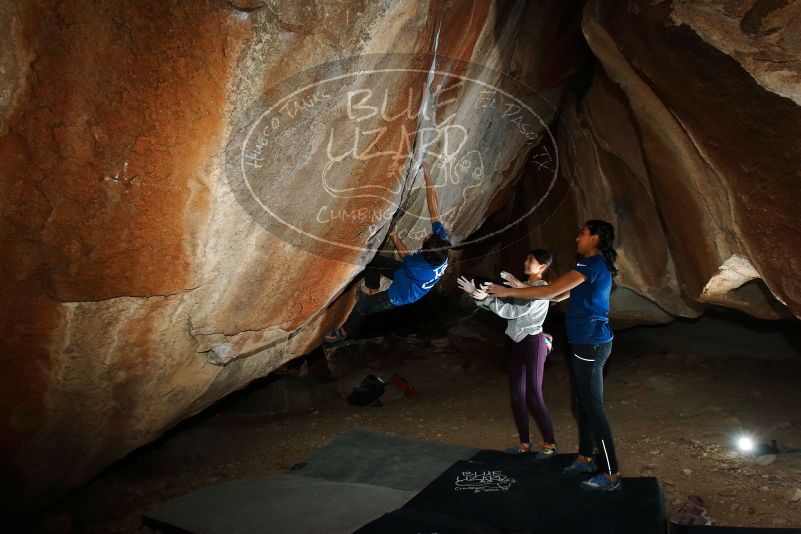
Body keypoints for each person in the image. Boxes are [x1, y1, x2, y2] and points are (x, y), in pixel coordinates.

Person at [486, 220, 621, 492]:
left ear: (595, 237)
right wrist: (520, 286)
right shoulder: (595, 267)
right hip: (586, 342)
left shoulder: (589, 265)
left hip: (590, 343)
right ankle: (585, 457)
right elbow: (556, 298)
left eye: (582, 233)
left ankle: (610, 473)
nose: (577, 238)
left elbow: (549, 291)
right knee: (581, 402)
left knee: (592, 406)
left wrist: (508, 291)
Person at [323, 162, 451, 343]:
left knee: (362, 307)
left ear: (426, 253)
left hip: (402, 293)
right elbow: (435, 212)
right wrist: (428, 176)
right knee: (373, 263)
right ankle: (373, 291)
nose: (429, 235)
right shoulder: (441, 246)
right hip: (406, 275)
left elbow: (405, 256)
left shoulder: (420, 266)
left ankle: (343, 333)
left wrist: (394, 235)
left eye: (426, 240)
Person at [457, 249, 558, 460]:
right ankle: (524, 443)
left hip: (533, 342)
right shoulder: (523, 287)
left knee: (533, 394)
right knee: (516, 395)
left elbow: (513, 312)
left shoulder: (541, 288)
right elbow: (506, 308)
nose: (526, 261)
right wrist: (478, 295)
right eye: (527, 257)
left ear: (543, 267)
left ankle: (550, 444)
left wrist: (487, 297)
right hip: (517, 342)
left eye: (532, 260)